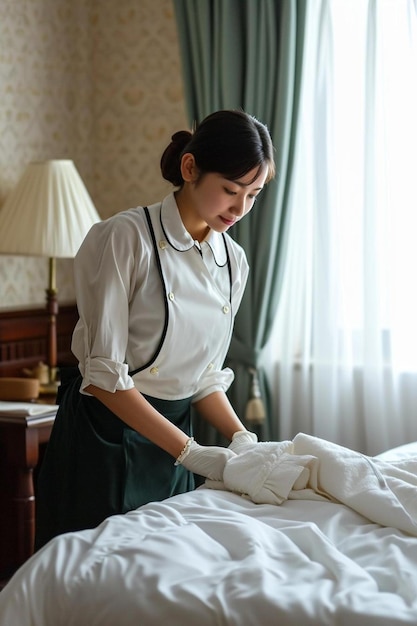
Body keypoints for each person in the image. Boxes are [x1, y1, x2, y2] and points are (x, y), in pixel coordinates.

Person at [35, 109, 276, 549]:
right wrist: (189, 451)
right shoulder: (124, 238)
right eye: (230, 190)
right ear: (190, 169)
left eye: (254, 195)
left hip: (176, 438)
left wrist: (241, 437)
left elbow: (203, 378)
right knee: (94, 574)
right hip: (105, 436)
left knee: (164, 569)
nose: (240, 208)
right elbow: (105, 377)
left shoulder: (233, 261)